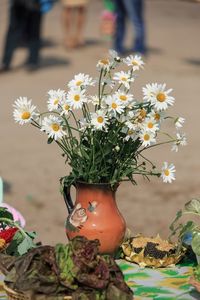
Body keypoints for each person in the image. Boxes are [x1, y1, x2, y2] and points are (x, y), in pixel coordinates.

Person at [0, 0, 54, 73]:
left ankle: (32, 61)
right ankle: (6, 62)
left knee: (33, 31)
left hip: (35, 5)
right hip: (19, 4)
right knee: (14, 31)